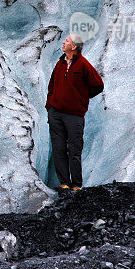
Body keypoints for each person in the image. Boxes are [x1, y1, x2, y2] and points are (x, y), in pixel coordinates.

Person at [45, 33, 104, 192]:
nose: (63, 42)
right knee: (58, 148)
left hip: (74, 115)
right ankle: (64, 183)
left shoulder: (84, 65)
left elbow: (98, 85)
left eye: (67, 41)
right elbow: (51, 86)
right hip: (56, 113)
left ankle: (77, 185)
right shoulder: (60, 64)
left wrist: (82, 97)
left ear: (74, 46)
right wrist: (49, 106)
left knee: (74, 149)